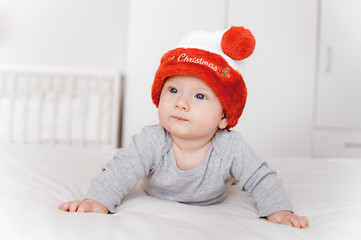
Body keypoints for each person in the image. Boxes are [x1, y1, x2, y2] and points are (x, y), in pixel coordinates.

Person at [59, 26, 309, 229]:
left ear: (224, 117)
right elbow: (120, 170)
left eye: (199, 97)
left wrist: (278, 209)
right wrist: (97, 201)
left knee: (244, 169)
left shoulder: (230, 146)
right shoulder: (153, 140)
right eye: (173, 90)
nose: (180, 103)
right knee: (125, 163)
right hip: (155, 191)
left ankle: (229, 176)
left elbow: (260, 178)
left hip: (214, 194)